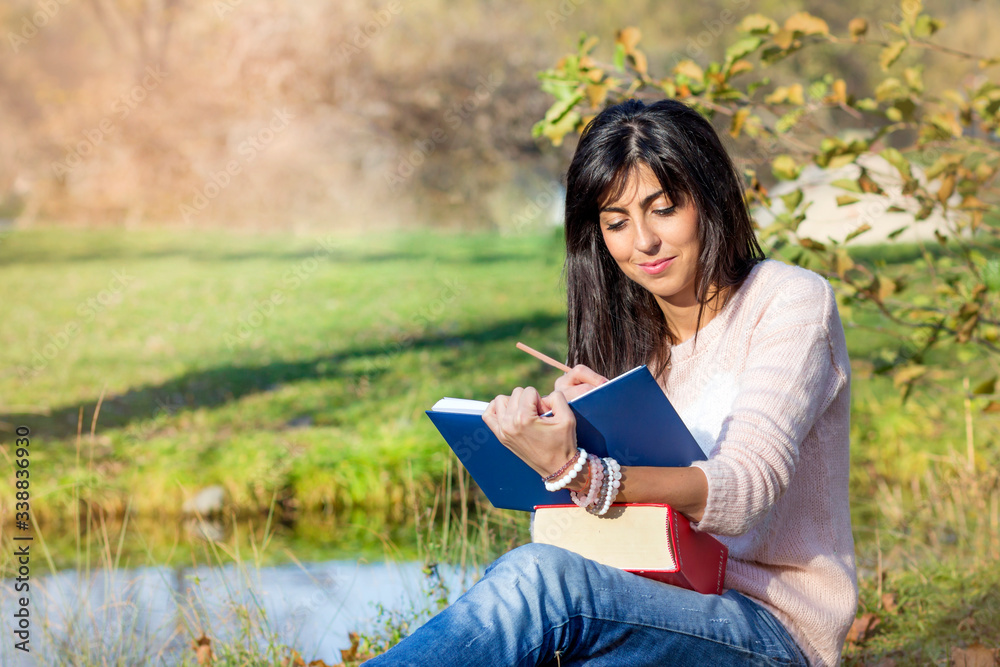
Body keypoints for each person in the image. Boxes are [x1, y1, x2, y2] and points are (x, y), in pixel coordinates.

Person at [364, 98, 857, 666]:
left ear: (712, 199)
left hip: (769, 628)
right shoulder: (630, 338)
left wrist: (578, 470)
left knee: (540, 581)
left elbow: (745, 490)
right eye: (616, 223)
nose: (642, 242)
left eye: (664, 209)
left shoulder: (789, 300)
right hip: (646, 604)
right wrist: (590, 432)